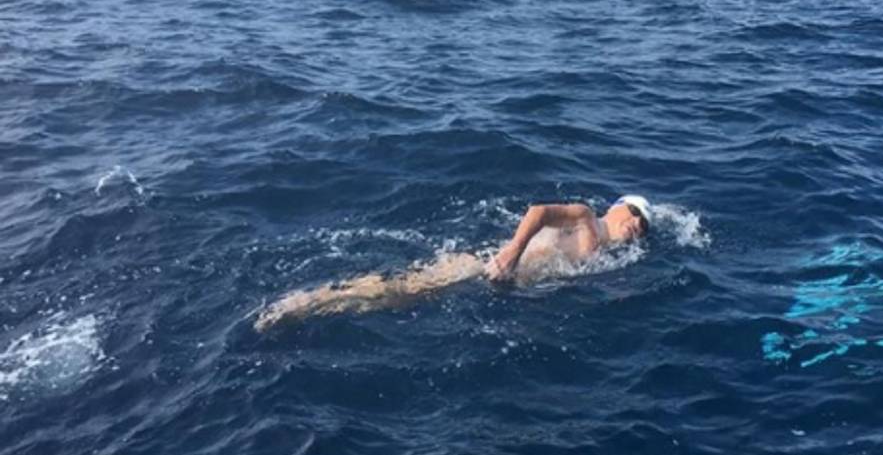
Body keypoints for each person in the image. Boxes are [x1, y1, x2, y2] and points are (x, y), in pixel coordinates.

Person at [254, 195, 651, 332]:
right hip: (486, 268)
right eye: (635, 213)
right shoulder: (585, 217)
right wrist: (512, 253)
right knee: (404, 289)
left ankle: (314, 308)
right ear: (618, 206)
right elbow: (537, 212)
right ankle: (300, 304)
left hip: (502, 287)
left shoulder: (606, 254)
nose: (638, 225)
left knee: (406, 298)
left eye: (645, 226)